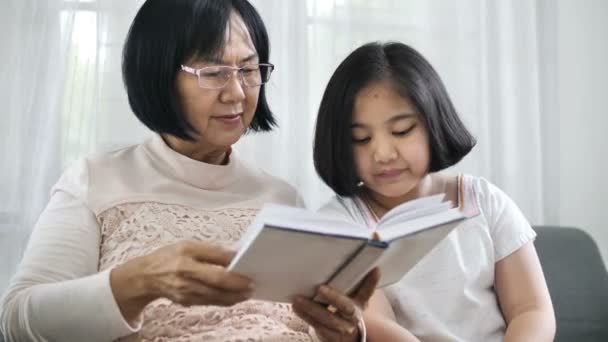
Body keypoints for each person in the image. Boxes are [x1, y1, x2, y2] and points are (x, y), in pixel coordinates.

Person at [0, 1, 380, 341]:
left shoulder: (281, 197)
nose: (237, 92)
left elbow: (305, 322)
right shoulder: (96, 180)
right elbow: (16, 320)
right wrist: (140, 281)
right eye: (214, 72)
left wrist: (342, 333)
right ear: (158, 74)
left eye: (249, 69)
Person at [312, 41, 556, 341]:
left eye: (401, 131)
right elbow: (376, 323)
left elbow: (531, 309)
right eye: (361, 139)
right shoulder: (338, 225)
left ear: (434, 124)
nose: (383, 153)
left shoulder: (484, 201)